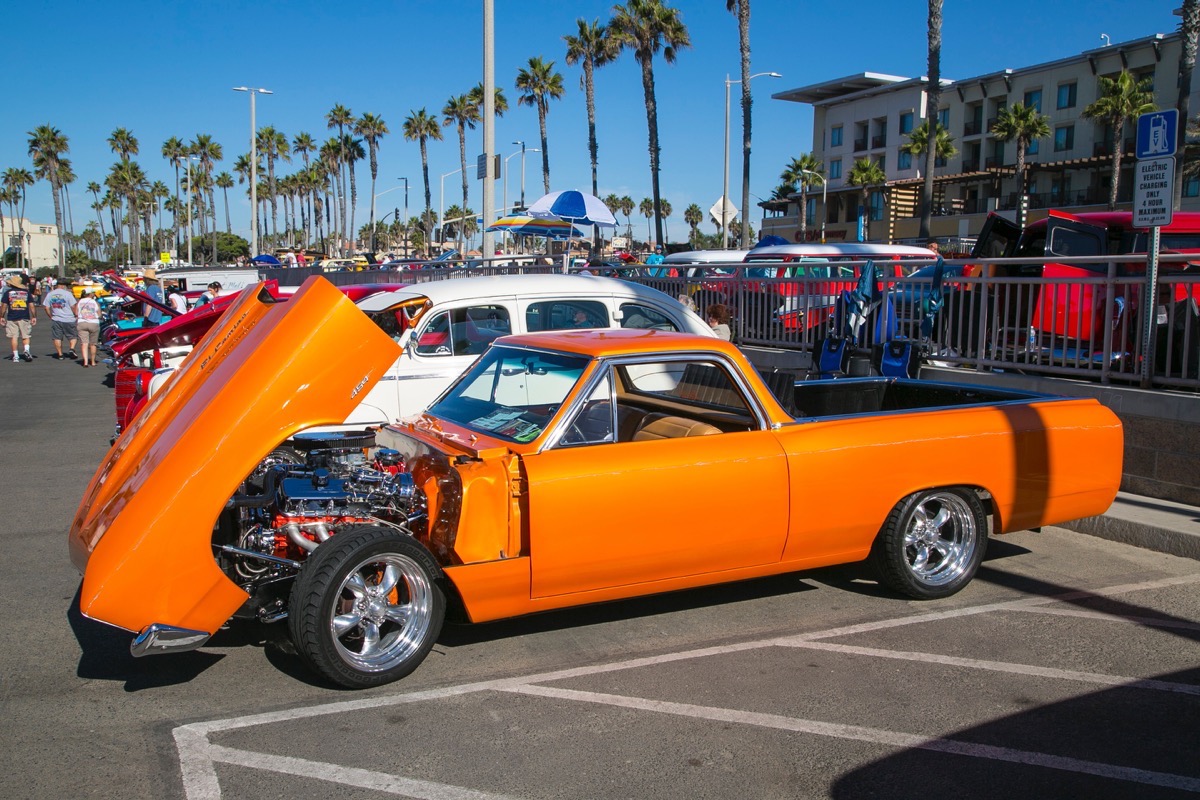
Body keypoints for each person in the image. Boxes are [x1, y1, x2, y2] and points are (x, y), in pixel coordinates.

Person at [0, 273, 36, 362]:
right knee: (26, 336)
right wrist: (34, 316)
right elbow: (31, 306)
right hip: (24, 316)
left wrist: (1, 316)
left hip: (12, 317)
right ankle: (26, 350)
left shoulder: (8, 293)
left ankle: (16, 356)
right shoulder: (26, 292)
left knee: (14, 337)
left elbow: (4, 306)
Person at [42, 278, 79, 360]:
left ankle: (60, 354)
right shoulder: (68, 294)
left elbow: (46, 307)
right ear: (63, 286)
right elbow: (73, 306)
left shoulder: (50, 294)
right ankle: (72, 348)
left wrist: (50, 316)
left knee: (57, 337)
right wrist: (76, 314)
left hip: (56, 318)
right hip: (69, 318)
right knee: (73, 336)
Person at [76, 288, 102, 367]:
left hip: (82, 323)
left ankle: (85, 362)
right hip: (93, 323)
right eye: (93, 292)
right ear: (90, 294)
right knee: (93, 344)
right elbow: (99, 314)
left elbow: (76, 313)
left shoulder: (79, 302)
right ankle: (93, 361)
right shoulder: (95, 302)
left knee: (84, 343)